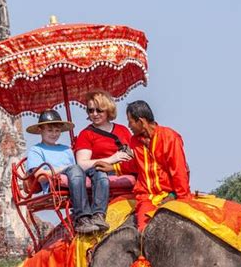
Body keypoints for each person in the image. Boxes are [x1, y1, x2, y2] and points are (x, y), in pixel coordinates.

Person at [96, 100, 191, 231]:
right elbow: (137, 165)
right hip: (147, 198)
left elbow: (179, 171)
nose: (129, 125)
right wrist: (112, 167)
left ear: (141, 121)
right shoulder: (135, 141)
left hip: (171, 194)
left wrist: (179, 199)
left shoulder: (170, 137)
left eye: (131, 121)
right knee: (144, 231)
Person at [26, 110, 99, 235]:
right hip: (54, 184)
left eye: (57, 130)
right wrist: (64, 168)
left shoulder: (66, 149)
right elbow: (40, 176)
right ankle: (82, 217)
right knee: (75, 169)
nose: (54, 134)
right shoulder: (36, 150)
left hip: (74, 179)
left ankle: (99, 212)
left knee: (98, 171)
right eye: (50, 130)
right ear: (40, 130)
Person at [74, 90, 133, 231]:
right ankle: (98, 215)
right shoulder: (86, 134)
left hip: (125, 170)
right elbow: (82, 163)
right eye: (90, 110)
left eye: (99, 110)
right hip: (99, 173)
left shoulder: (123, 130)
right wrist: (111, 160)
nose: (94, 114)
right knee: (101, 173)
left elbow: (134, 152)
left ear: (108, 110)